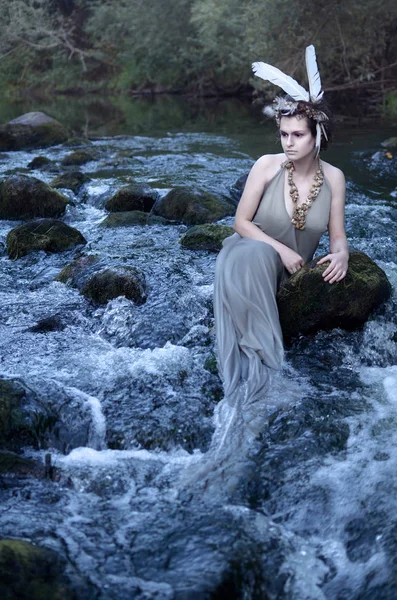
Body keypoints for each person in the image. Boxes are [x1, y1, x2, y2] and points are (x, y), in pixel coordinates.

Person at [213, 46, 349, 407]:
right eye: (284, 134)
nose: (288, 142)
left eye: (297, 135)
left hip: (290, 274)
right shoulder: (266, 166)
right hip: (246, 256)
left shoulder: (334, 178)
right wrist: (284, 250)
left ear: (317, 135)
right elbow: (240, 222)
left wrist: (342, 255)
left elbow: (337, 235)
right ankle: (265, 374)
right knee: (254, 251)